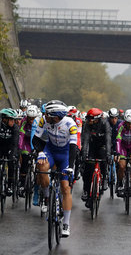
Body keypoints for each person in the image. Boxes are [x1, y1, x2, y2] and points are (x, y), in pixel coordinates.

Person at [32, 100, 78, 237]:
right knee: (42, 166)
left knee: (65, 187)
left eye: (47, 114)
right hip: (50, 150)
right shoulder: (43, 121)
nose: (44, 116)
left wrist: (70, 166)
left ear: (55, 116)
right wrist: (39, 152)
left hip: (65, 154)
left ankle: (66, 224)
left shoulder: (70, 124)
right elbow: (36, 139)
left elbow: (73, 147)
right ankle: (47, 197)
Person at [80, 108, 112, 207]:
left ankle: (105, 178)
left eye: (91, 119)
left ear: (97, 119)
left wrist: (108, 154)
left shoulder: (104, 124)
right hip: (92, 146)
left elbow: (108, 139)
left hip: (103, 146)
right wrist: (84, 154)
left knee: (103, 158)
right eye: (88, 119)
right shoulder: (87, 125)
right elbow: (85, 140)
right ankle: (86, 190)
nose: (89, 121)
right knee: (87, 169)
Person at [18, 105, 40, 197]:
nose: (31, 120)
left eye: (33, 118)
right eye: (29, 118)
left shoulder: (39, 122)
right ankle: (22, 185)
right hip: (26, 143)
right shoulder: (24, 121)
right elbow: (21, 135)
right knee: (25, 160)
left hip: (36, 142)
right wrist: (19, 148)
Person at [0, 108, 19, 196]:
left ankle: (10, 186)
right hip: (0, 147)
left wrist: (13, 155)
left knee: (11, 164)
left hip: (9, 147)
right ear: (4, 119)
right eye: (11, 119)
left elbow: (15, 143)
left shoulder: (15, 128)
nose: (13, 122)